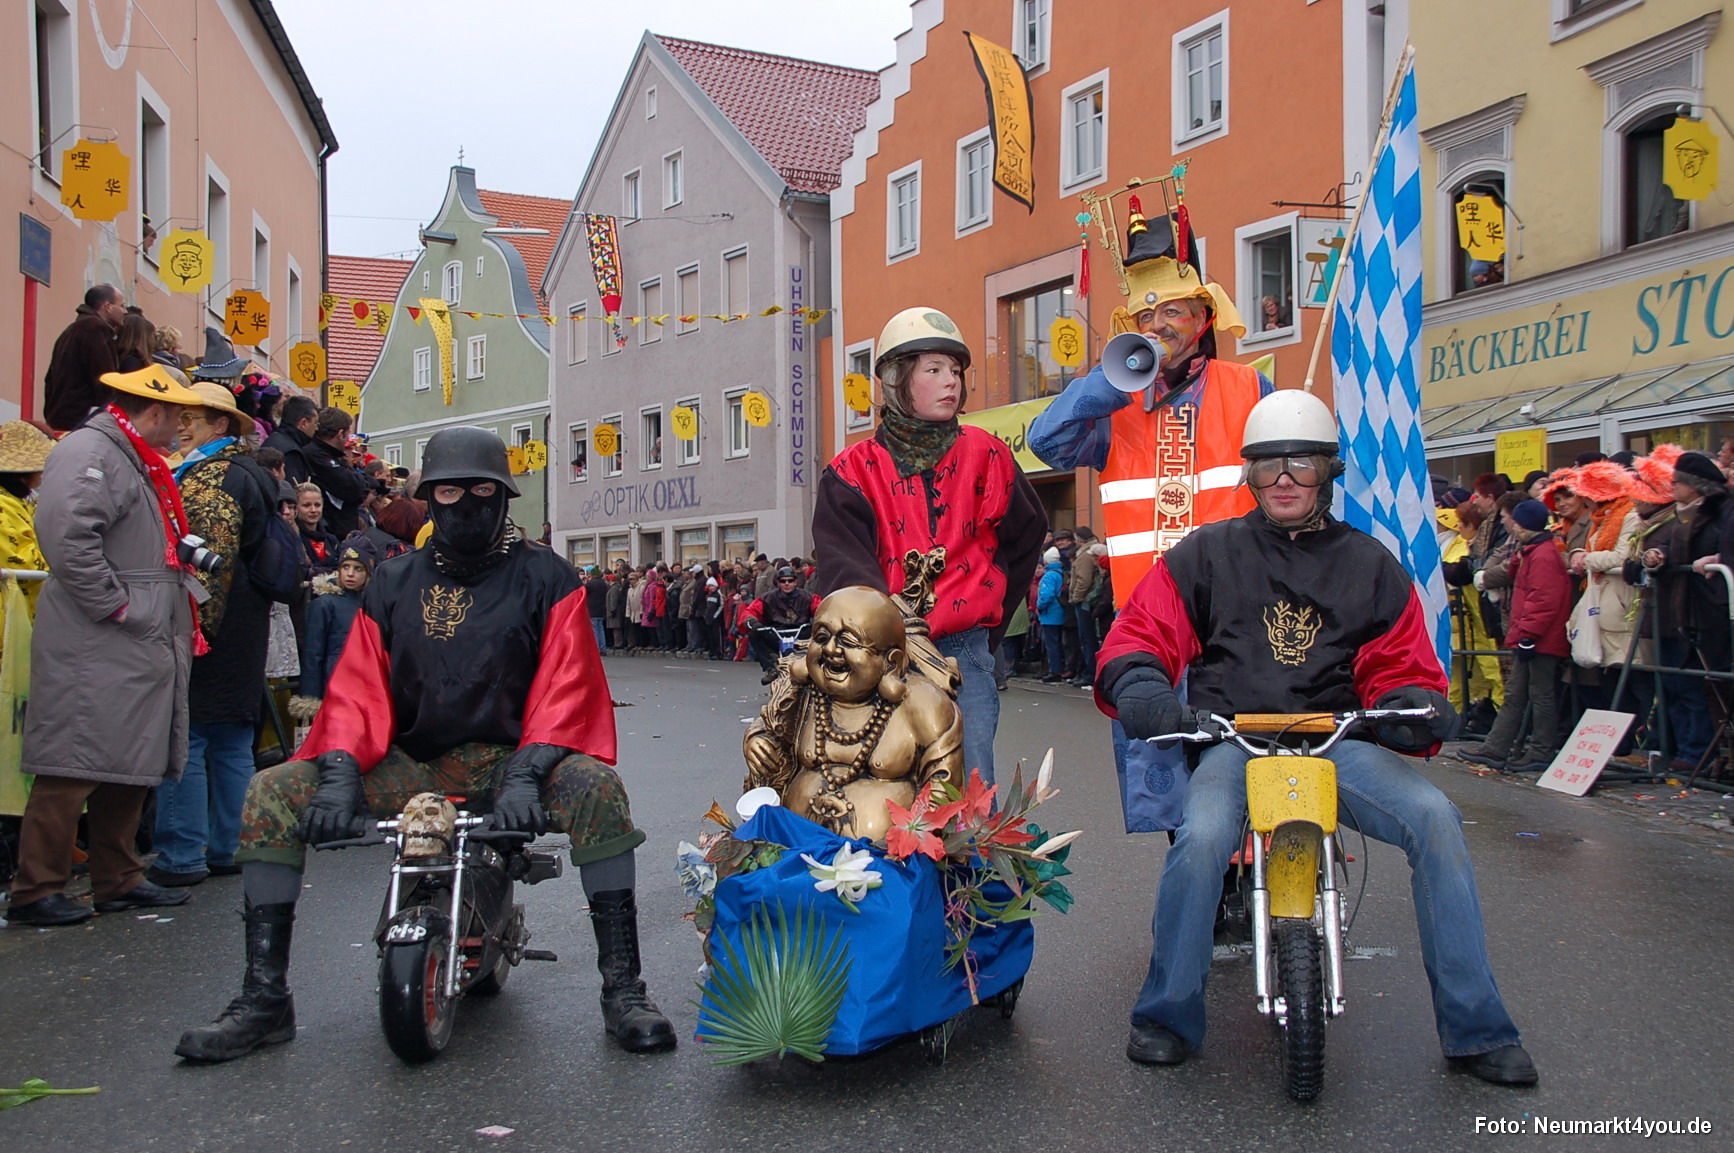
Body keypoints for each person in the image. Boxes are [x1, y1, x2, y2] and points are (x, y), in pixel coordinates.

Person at [175, 426, 674, 1061]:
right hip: (411, 760)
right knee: (271, 792)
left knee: (598, 790)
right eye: (448, 490)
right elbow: (357, 688)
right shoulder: (390, 581)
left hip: (513, 759)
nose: (464, 503)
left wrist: (526, 772)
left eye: (480, 491)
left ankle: (623, 989)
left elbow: (569, 686)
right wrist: (339, 774)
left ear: (503, 498)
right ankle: (264, 997)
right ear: (429, 498)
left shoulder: (547, 575)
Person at [1093, 389, 1536, 1086]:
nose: (1284, 479)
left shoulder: (1369, 562)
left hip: (1338, 740)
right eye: (1267, 465)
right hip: (1234, 739)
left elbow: (1401, 664)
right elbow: (1141, 632)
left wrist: (1411, 701)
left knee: (1437, 820)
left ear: (1328, 470)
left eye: (1300, 462)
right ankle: (1167, 1013)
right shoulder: (1206, 553)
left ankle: (1477, 1027)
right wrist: (1143, 685)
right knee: (1201, 838)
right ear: (1250, 475)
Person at [1028, 197, 1269, 831]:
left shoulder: (1249, 388)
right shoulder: (1113, 408)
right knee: (1166, 765)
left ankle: (1251, 874)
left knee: (1248, 759)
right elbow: (1045, 441)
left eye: (1171, 311)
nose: (1157, 323)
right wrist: (1113, 379)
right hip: (1152, 618)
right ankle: (1194, 876)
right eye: (1143, 315)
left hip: (1236, 613)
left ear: (1203, 317)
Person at [6, 365, 209, 925]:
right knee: (73, 760)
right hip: (101, 633)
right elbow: (68, 534)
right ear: (153, 412)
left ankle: (117, 876)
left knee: (129, 758)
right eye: (179, 416)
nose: (181, 428)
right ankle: (35, 888)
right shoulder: (94, 452)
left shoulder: (123, 454)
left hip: (125, 630)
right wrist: (117, 604)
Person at [813, 307, 1046, 785]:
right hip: (877, 659)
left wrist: (990, 616)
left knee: (969, 791)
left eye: (956, 371)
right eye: (934, 370)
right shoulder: (851, 471)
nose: (951, 382)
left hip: (965, 653)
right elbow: (847, 574)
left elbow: (1024, 538)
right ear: (897, 380)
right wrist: (887, 639)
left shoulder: (989, 454)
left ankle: (973, 864)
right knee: (880, 787)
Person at [150, 381, 278, 887]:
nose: (181, 425)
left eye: (194, 418)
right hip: (245, 628)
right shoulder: (247, 472)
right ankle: (229, 844)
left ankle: (182, 852)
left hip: (214, 629)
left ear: (220, 424)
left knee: (191, 737)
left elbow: (209, 567)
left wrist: (191, 632)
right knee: (230, 739)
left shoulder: (211, 477)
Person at [1459, 500, 1571, 773]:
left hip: (1538, 637)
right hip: (1531, 634)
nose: (1514, 528)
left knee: (1539, 694)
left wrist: (1529, 634)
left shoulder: (1542, 555)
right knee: (1518, 693)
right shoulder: (1534, 551)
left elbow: (1544, 599)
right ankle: (1497, 748)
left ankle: (1538, 752)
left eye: (1518, 524)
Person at [294, 532, 379, 714]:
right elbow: (313, 654)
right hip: (333, 687)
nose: (350, 574)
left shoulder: (373, 605)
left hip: (365, 687)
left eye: (358, 568)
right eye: (345, 567)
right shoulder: (324, 603)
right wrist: (311, 699)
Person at [43, 284, 126, 432]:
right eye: (122, 306)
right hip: (82, 420)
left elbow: (50, 379)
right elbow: (105, 379)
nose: (125, 311)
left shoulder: (72, 330)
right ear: (107, 306)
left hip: (61, 416)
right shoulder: (95, 329)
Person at [739, 566, 821, 683]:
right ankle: (770, 667)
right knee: (754, 634)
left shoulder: (808, 597)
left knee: (822, 634)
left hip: (801, 634)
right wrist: (752, 622)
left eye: (790, 581)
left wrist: (821, 619)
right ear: (778, 583)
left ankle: (818, 667)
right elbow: (749, 612)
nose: (787, 584)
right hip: (776, 634)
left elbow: (821, 609)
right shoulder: (767, 598)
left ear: (795, 582)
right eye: (783, 581)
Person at [304, 407, 369, 539]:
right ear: (340, 434)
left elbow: (362, 487)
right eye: (348, 433)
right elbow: (354, 487)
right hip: (332, 531)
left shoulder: (332, 455)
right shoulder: (316, 455)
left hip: (340, 528)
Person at [1068, 526, 1107, 686]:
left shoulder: (1085, 555)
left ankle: (1090, 673)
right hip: (1086, 601)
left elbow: (1084, 580)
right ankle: (1088, 672)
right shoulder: (1088, 552)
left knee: (1087, 639)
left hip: (1084, 602)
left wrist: (1076, 597)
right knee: (1088, 639)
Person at [261, 396, 318, 485]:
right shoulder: (292, 453)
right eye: (315, 423)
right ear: (304, 423)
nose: (316, 428)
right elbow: (295, 490)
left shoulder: (274, 439)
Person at [1036, 546, 1067, 681]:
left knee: (1051, 644)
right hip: (1060, 613)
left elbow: (1046, 596)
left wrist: (1039, 606)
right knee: (1059, 643)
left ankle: (1054, 671)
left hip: (1050, 615)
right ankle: (1060, 668)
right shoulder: (1060, 573)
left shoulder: (1049, 576)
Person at [294, 483, 339, 576]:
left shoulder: (331, 540)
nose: (313, 510)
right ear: (296, 508)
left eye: (317, 505)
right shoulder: (294, 539)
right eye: (306, 505)